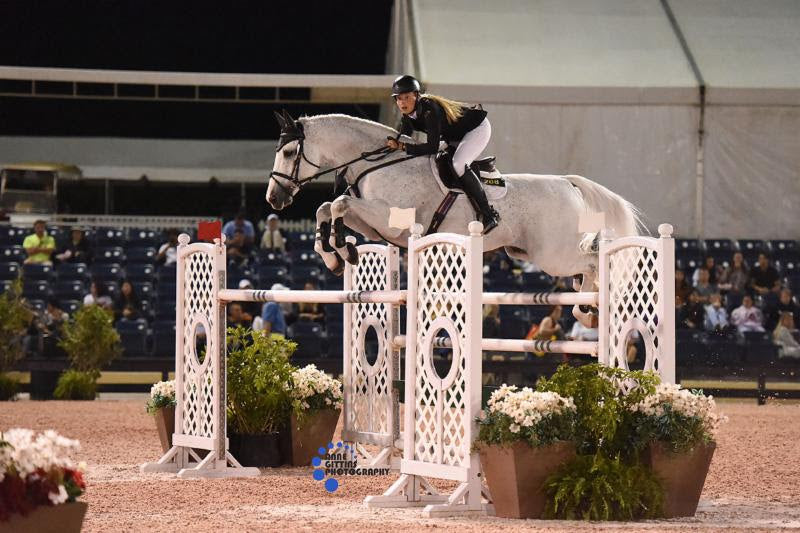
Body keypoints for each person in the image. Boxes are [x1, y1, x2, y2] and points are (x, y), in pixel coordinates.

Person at [386, 75, 500, 233]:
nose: (402, 102)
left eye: (407, 97)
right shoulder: (408, 114)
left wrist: (402, 146)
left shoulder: (429, 109)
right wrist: (390, 147)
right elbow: (403, 136)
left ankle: (489, 214)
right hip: (453, 136)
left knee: (458, 164)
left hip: (476, 129)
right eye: (399, 98)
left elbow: (431, 147)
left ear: (416, 96)